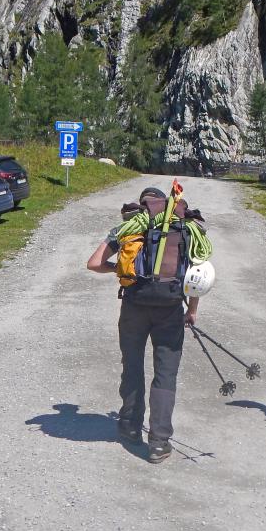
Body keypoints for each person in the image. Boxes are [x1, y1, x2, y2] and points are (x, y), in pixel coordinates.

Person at [86, 186, 200, 464]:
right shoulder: (185, 228)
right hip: (171, 309)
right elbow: (197, 276)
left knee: (133, 366)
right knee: (166, 374)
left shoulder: (129, 226)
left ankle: (129, 426)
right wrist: (192, 311)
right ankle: (159, 443)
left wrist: (123, 269)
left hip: (134, 307)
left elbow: (94, 263)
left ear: (142, 206)